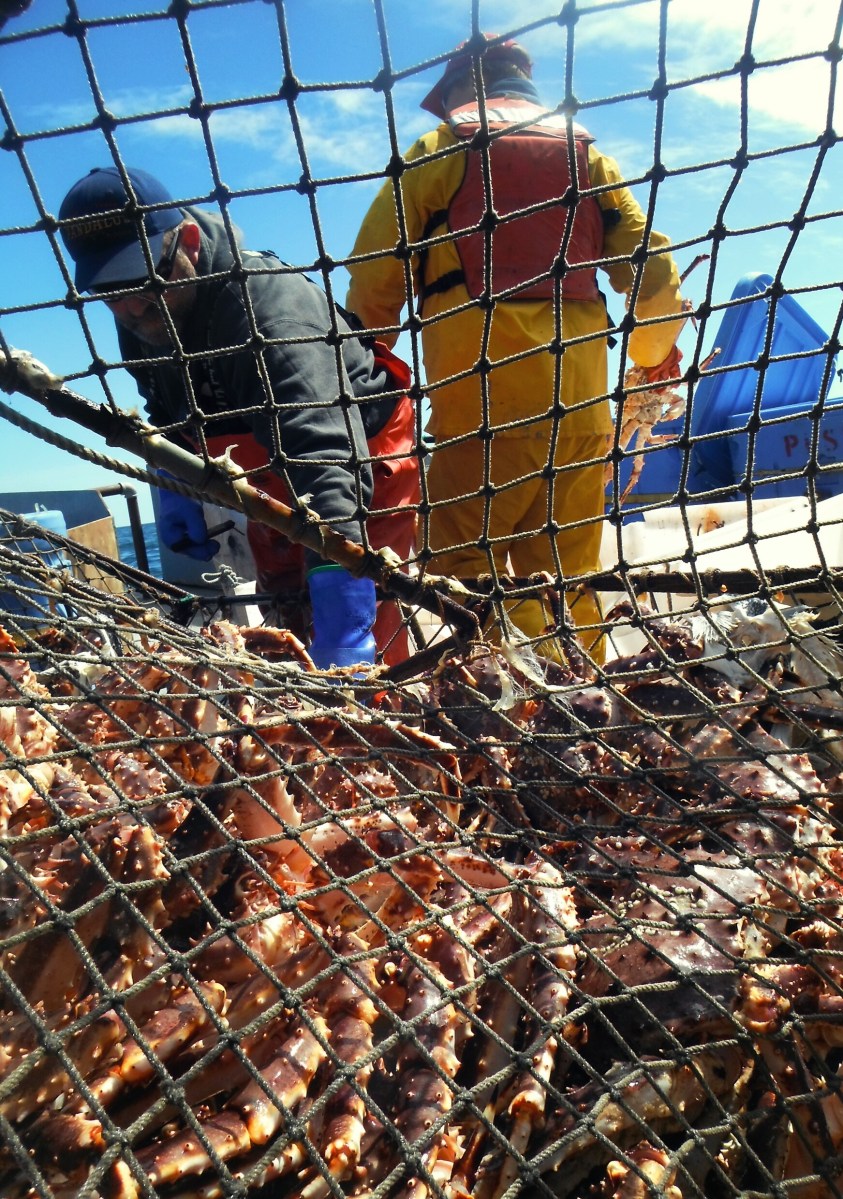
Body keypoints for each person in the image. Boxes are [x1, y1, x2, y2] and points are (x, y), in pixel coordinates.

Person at [345, 35, 686, 661]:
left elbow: (373, 281)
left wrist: (360, 382)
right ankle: (583, 695)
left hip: (481, 413)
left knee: (461, 570)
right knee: (568, 576)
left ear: (460, 90)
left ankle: (534, 697)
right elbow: (655, 274)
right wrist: (650, 353)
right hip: (581, 414)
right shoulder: (589, 160)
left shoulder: (436, 151)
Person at [59, 166, 420, 668]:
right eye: (109, 294)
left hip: (357, 457)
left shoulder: (269, 308)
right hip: (263, 468)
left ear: (187, 242)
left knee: (362, 628)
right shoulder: (141, 314)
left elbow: (324, 455)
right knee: (285, 614)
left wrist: (345, 626)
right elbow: (165, 407)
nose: (131, 308)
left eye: (144, 281)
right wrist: (172, 481)